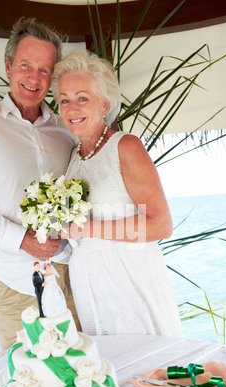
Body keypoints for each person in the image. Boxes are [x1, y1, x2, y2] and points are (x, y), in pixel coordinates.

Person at [0, 18, 80, 350]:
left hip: (72, 277)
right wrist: (22, 239)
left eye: (44, 70)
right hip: (12, 283)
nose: (34, 78)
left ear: (53, 78)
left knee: (83, 374)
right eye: (25, 66)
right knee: (25, 384)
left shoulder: (69, 129)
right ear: (8, 66)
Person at [51, 49, 183, 337]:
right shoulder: (75, 157)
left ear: (104, 104)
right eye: (64, 100)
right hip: (89, 279)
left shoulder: (125, 147)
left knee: (148, 368)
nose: (72, 109)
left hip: (129, 273)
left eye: (82, 98)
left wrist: (86, 228)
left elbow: (161, 224)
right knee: (108, 372)